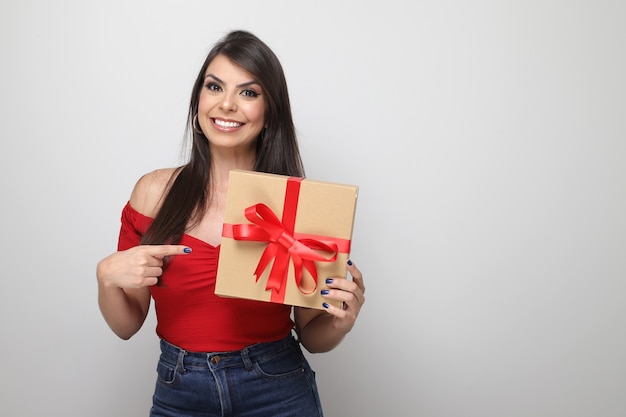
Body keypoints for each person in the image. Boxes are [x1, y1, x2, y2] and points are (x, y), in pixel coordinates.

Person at [96, 29, 366, 417]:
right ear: (198, 102)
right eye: (214, 86)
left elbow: (312, 335)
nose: (227, 104)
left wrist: (341, 321)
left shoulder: (301, 204)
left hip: (278, 389)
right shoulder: (154, 193)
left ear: (270, 111)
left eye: (248, 92)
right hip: (179, 391)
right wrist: (106, 276)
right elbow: (126, 325)